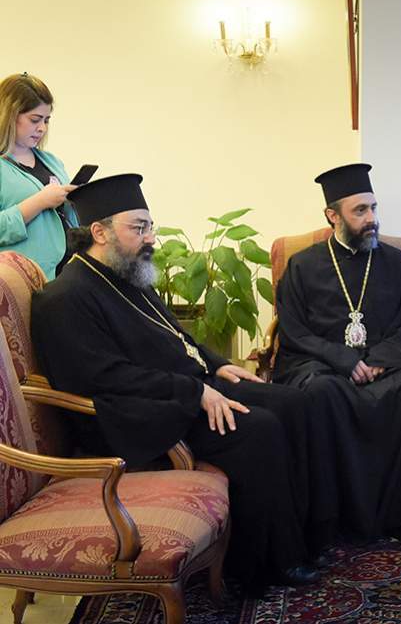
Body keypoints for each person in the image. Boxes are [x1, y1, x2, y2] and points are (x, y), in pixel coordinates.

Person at [31, 174, 337, 592]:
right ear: (99, 232)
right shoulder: (64, 297)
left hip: (178, 389)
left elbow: (175, 335)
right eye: (139, 228)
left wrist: (217, 365)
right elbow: (100, 376)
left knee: (296, 404)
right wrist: (195, 392)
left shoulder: (127, 274)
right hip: (131, 414)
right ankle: (263, 563)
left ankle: (306, 535)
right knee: (258, 429)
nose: (151, 238)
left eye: (150, 226)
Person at [273, 163, 401, 554]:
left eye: (373, 208)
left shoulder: (397, 263)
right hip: (326, 368)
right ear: (332, 216)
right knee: (319, 394)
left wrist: (380, 358)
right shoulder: (302, 266)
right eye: (360, 211)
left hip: (387, 365)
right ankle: (328, 520)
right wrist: (342, 359)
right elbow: (294, 330)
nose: (372, 218)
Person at [0, 73, 78, 279]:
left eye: (46, 120)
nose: (42, 128)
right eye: (35, 120)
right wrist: (40, 201)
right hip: (24, 282)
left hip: (66, 276)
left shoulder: (52, 161)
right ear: (9, 116)